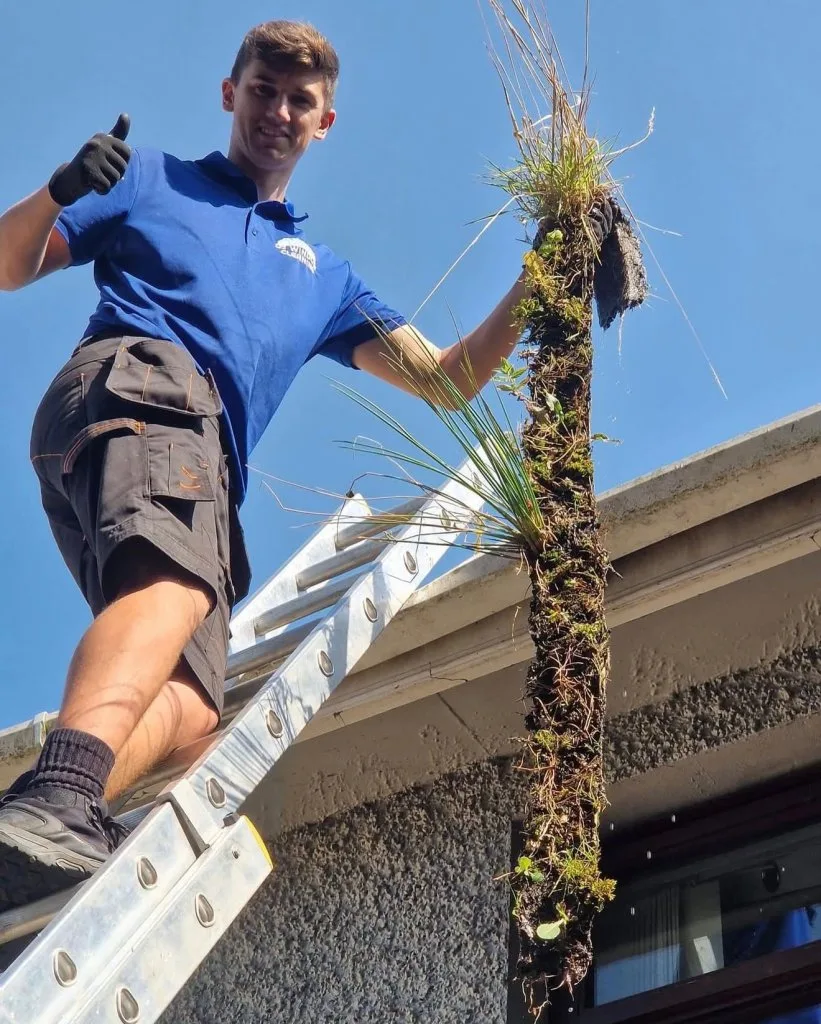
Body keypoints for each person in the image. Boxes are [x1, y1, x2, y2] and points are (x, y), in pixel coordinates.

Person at [0, 20, 612, 909]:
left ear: (324, 123)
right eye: (262, 91)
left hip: (184, 445)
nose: (277, 112)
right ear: (229, 93)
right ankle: (62, 791)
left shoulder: (324, 275)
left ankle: (53, 806)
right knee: (170, 590)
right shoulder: (152, 179)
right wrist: (57, 192)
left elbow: (450, 380)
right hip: (144, 383)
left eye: (299, 101)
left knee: (194, 707)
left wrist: (544, 274)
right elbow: (8, 264)